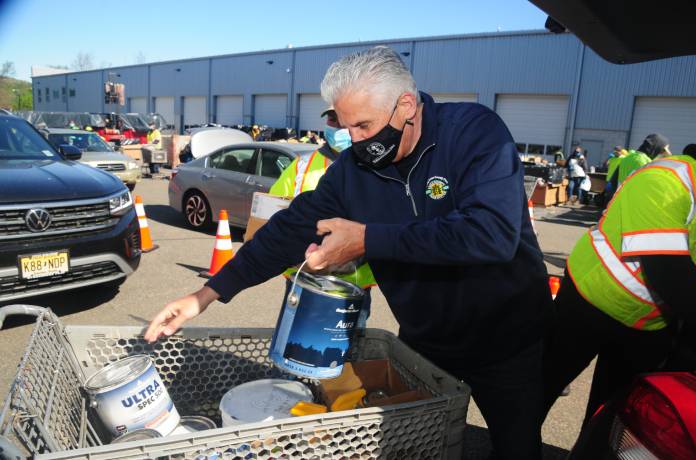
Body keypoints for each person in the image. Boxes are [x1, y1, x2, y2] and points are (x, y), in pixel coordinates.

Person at [145, 46, 551, 460]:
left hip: (507, 341)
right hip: (428, 342)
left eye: (364, 125)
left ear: (406, 105)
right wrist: (208, 294)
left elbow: (491, 234)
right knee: (422, 446)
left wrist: (367, 239)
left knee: (515, 447)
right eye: (346, 125)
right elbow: (289, 228)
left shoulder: (473, 133)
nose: (356, 140)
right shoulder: (355, 169)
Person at [541, 122, 696, 428]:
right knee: (543, 387)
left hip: (650, 324)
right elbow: (668, 272)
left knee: (609, 416)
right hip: (591, 301)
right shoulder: (668, 178)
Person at [269, 107, 375, 326]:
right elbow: (270, 213)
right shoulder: (301, 166)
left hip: (354, 285)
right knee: (294, 346)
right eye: (332, 119)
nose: (338, 126)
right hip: (304, 278)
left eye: (345, 119)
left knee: (349, 353)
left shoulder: (377, 167)